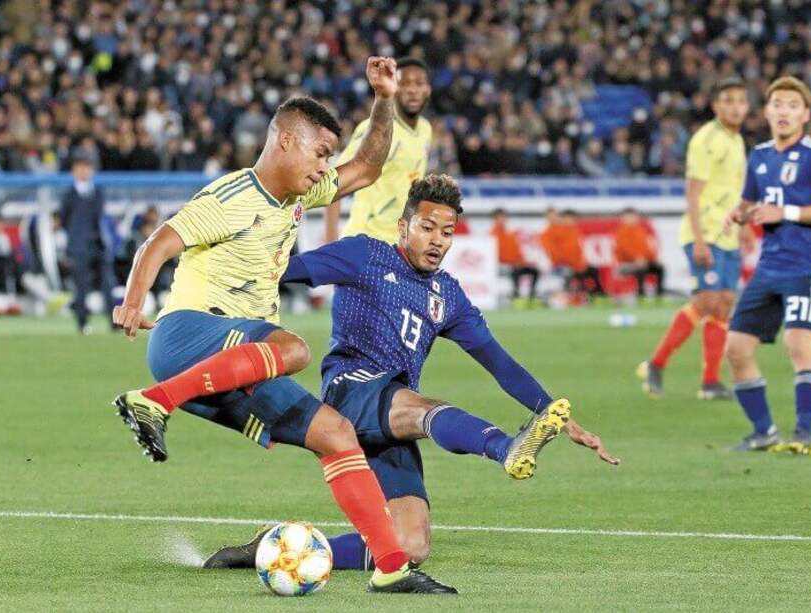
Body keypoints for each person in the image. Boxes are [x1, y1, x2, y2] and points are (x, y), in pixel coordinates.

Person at [111, 58, 455, 595]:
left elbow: (366, 166)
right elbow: (158, 243)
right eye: (320, 153)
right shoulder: (233, 196)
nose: (325, 167)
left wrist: (384, 99)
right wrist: (134, 301)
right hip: (187, 339)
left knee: (337, 435)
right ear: (285, 143)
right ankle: (152, 401)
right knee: (293, 347)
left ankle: (391, 567)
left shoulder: (298, 195)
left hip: (235, 364)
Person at [202, 175, 619, 572]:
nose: (437, 240)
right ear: (404, 226)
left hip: (391, 416)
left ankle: (279, 550)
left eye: (447, 232)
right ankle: (506, 448)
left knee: (409, 546)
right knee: (424, 409)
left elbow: (501, 364)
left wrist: (561, 419)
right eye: (427, 227)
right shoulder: (364, 255)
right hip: (350, 390)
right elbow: (283, 271)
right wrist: (211, 289)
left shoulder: (447, 295)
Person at [723, 76, 811, 456]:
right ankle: (764, 432)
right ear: (768, 111)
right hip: (768, 268)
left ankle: (804, 433)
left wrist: (786, 211)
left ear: (806, 114)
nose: (784, 111)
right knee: (737, 349)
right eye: (778, 104)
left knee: (798, 345)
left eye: (793, 105)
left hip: (805, 267)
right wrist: (738, 214)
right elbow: (750, 201)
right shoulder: (758, 155)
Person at [637, 78, 750, 400]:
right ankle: (656, 363)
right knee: (709, 301)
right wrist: (699, 240)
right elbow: (693, 192)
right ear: (715, 105)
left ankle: (710, 382)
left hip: (728, 234)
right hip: (705, 233)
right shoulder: (706, 140)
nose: (735, 106)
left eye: (740, 101)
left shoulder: (737, 140)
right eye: (727, 100)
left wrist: (744, 230)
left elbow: (733, 191)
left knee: (725, 305)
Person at [324, 57, 432, 244]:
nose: (413, 90)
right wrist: (329, 243)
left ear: (428, 89)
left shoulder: (425, 129)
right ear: (394, 88)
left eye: (419, 83)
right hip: (365, 241)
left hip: (400, 244)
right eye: (404, 83)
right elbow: (333, 182)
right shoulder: (376, 129)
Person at [60, 154, 116, 334]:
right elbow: (64, 220)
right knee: (81, 287)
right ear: (74, 171)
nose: (84, 171)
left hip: (98, 245)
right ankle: (82, 323)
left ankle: (114, 323)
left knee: (108, 284)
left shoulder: (98, 193)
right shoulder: (68, 195)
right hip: (79, 247)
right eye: (80, 167)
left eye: (87, 167)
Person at [540, 208, 604, 302]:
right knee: (574, 273)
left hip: (574, 264)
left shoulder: (573, 230)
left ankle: (597, 296)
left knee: (593, 271)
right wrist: (570, 263)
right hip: (561, 264)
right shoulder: (550, 232)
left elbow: (577, 251)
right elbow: (554, 252)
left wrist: (579, 263)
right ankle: (577, 297)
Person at [490, 208, 540, 307]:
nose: (503, 219)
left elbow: (516, 251)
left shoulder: (509, 234)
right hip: (504, 264)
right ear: (495, 219)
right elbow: (497, 254)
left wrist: (522, 261)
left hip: (516, 263)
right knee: (515, 272)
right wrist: (512, 262)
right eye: (500, 217)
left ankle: (531, 296)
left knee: (534, 271)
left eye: (504, 217)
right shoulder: (493, 235)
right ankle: (516, 297)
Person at [612, 207, 664, 299]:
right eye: (628, 217)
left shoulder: (640, 231)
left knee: (659, 268)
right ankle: (641, 295)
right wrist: (637, 258)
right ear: (623, 218)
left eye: (633, 217)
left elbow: (647, 249)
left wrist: (651, 259)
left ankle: (659, 295)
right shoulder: (620, 233)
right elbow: (624, 250)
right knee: (640, 269)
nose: (631, 219)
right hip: (625, 264)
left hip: (642, 261)